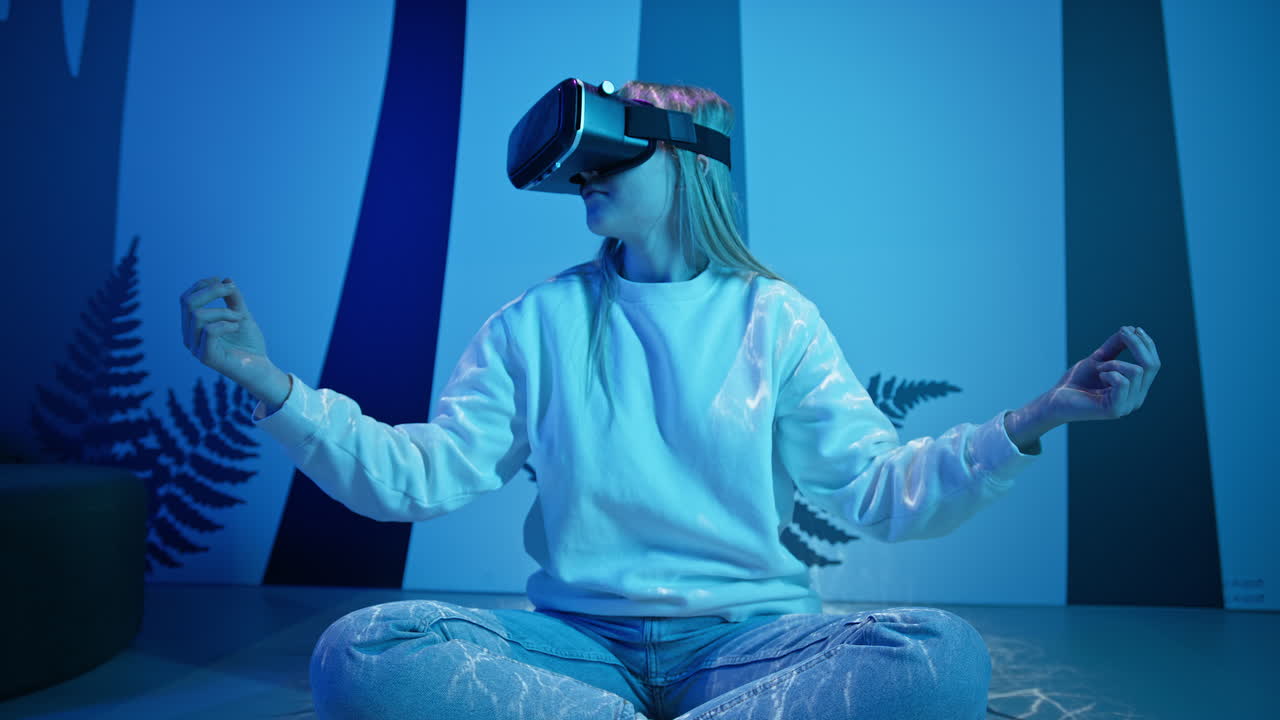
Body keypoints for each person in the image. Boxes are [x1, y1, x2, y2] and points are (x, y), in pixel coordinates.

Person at [179, 81, 1159, 720]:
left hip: (749, 647)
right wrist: (267, 379)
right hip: (573, 651)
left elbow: (879, 492)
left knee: (938, 658)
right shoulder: (537, 323)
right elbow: (417, 477)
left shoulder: (773, 321)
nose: (584, 180)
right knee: (359, 652)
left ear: (683, 154)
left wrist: (1039, 416)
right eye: (577, 169)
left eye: (612, 154)